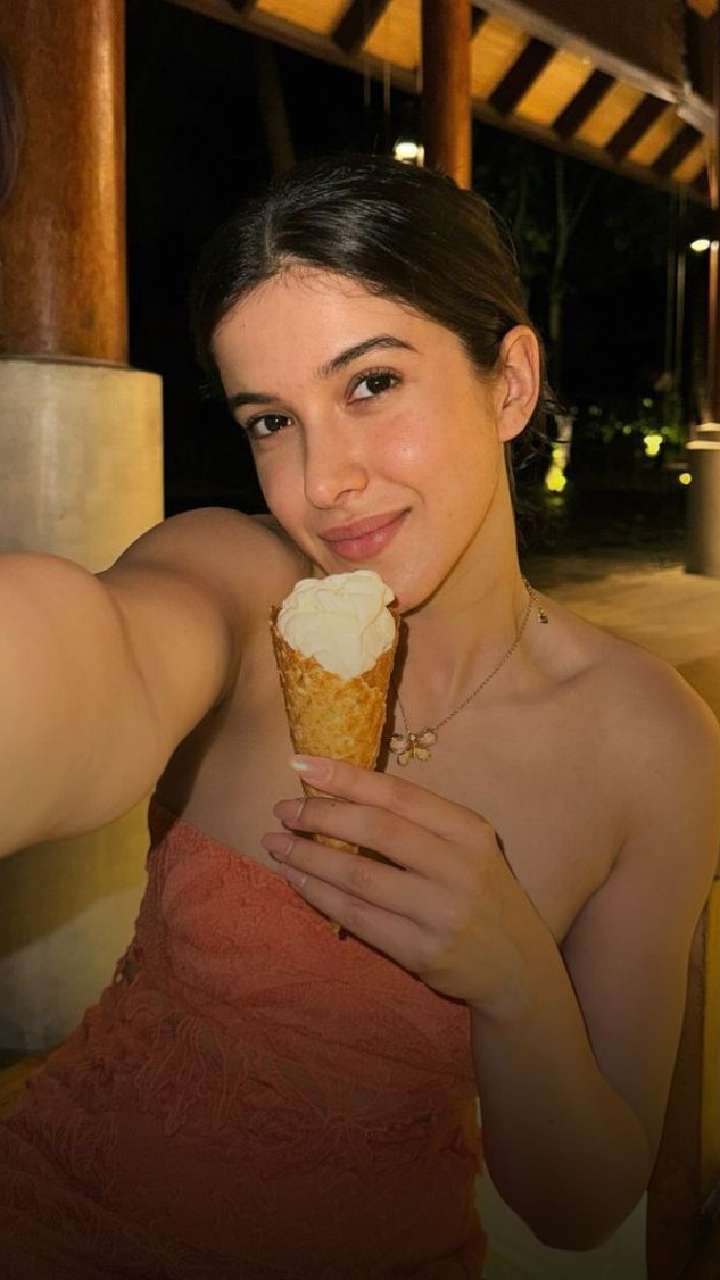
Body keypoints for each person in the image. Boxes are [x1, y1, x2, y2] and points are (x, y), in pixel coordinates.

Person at [0, 153, 718, 1280]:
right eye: (270, 419)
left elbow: (581, 1203)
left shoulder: (653, 743)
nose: (321, 479)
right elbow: (86, 657)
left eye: (372, 383)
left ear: (510, 382)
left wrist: (514, 977)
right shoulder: (239, 584)